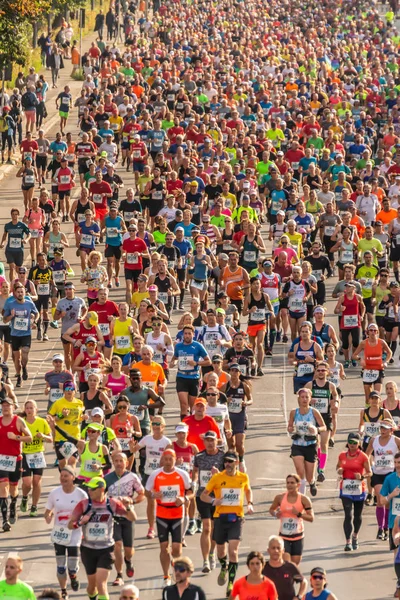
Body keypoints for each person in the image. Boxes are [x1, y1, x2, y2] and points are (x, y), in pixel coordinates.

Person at [68, 476, 137, 600]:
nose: (89, 492)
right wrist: (80, 523)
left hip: (106, 549)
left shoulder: (112, 503)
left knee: (101, 585)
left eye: (92, 489)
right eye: (88, 489)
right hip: (88, 549)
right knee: (92, 587)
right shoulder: (84, 504)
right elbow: (70, 524)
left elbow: (132, 518)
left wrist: (128, 506)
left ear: (101, 489)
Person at [200, 450, 254, 597]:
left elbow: (248, 491)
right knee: (221, 552)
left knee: (233, 551)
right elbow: (203, 495)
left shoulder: (243, 477)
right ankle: (224, 567)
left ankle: (231, 584)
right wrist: (213, 501)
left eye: (230, 461)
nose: (228, 464)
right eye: (226, 461)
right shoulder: (217, 477)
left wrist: (250, 503)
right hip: (220, 517)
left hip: (236, 517)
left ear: (237, 462)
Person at [145, 448, 193, 586]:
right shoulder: (155, 474)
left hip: (178, 514)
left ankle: (177, 572)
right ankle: (166, 575)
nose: (167, 462)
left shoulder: (182, 474)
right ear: (162, 460)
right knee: (164, 547)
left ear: (175, 459)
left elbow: (191, 492)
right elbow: (147, 492)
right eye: (165, 459)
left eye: (170, 459)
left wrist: (183, 499)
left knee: (177, 549)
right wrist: (154, 495)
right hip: (162, 514)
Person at [44, 466, 87, 599]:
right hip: (59, 533)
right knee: (61, 567)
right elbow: (47, 511)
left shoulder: (81, 494)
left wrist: (82, 524)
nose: (63, 478)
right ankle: (63, 590)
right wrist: (48, 516)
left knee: (72, 567)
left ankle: (73, 576)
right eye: (61, 476)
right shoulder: (54, 493)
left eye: (66, 476)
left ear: (73, 477)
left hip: (74, 533)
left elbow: (87, 513)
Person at [105, 452, 145, 586]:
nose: (118, 463)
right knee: (117, 545)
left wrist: (132, 501)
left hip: (128, 516)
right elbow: (100, 496)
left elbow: (142, 494)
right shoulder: (107, 478)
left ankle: (128, 561)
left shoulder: (132, 477)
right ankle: (119, 575)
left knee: (128, 550)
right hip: (113, 517)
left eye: (121, 461)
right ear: (113, 462)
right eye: (115, 461)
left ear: (126, 463)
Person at [0, 397, 32, 531]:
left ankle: (13, 505)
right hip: (1, 459)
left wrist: (16, 437)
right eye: (3, 405)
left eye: (8, 405)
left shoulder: (18, 421)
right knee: (3, 487)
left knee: (13, 489)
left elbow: (30, 438)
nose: (6, 407)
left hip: (15, 459)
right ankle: (5, 520)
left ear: (13, 407)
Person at [287, 388, 326, 497]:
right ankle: (301, 499)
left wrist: (316, 429)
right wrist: (290, 428)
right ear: (298, 399)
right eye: (302, 397)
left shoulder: (314, 412)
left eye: (306, 397)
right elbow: (290, 426)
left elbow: (324, 426)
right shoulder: (294, 412)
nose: (304, 399)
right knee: (300, 473)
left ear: (310, 399)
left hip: (310, 444)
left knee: (309, 477)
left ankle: (312, 483)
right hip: (297, 444)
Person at [337, 433, 371, 552]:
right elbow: (338, 467)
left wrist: (362, 476)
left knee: (357, 516)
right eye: (350, 442)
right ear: (347, 443)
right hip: (346, 486)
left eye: (355, 443)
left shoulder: (363, 456)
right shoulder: (342, 455)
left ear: (359, 444)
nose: (352, 445)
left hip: (358, 488)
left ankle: (355, 535)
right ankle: (348, 542)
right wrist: (339, 470)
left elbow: (369, 472)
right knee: (348, 515)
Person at [269, 473, 314, 564]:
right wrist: (275, 514)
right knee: (286, 563)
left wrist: (299, 514)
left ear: (298, 485)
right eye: (288, 483)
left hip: (298, 537)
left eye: (292, 483)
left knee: (294, 566)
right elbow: (271, 509)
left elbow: (311, 518)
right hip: (284, 536)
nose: (289, 485)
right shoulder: (280, 498)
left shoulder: (304, 499)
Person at [170, 325, 211, 420]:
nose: (187, 336)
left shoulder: (197, 346)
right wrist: (173, 363)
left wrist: (196, 363)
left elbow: (208, 361)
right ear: (183, 335)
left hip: (194, 378)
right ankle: (184, 426)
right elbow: (174, 358)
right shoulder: (178, 346)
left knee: (193, 406)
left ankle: (192, 425)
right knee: (184, 405)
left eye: (189, 333)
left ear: (193, 334)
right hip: (181, 377)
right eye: (185, 334)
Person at [21, 399, 53, 517]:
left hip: (38, 454)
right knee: (27, 483)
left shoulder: (42, 422)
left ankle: (34, 506)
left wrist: (43, 436)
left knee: (36, 481)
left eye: (31, 408)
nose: (29, 410)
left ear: (36, 410)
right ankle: (25, 497)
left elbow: (50, 439)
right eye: (27, 408)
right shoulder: (21, 421)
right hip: (25, 454)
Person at [263, 536, 307, 600]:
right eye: (273, 548)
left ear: (283, 550)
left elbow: (304, 582)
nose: (276, 550)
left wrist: (299, 597)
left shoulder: (290, 567)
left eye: (278, 548)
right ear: (268, 550)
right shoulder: (262, 568)